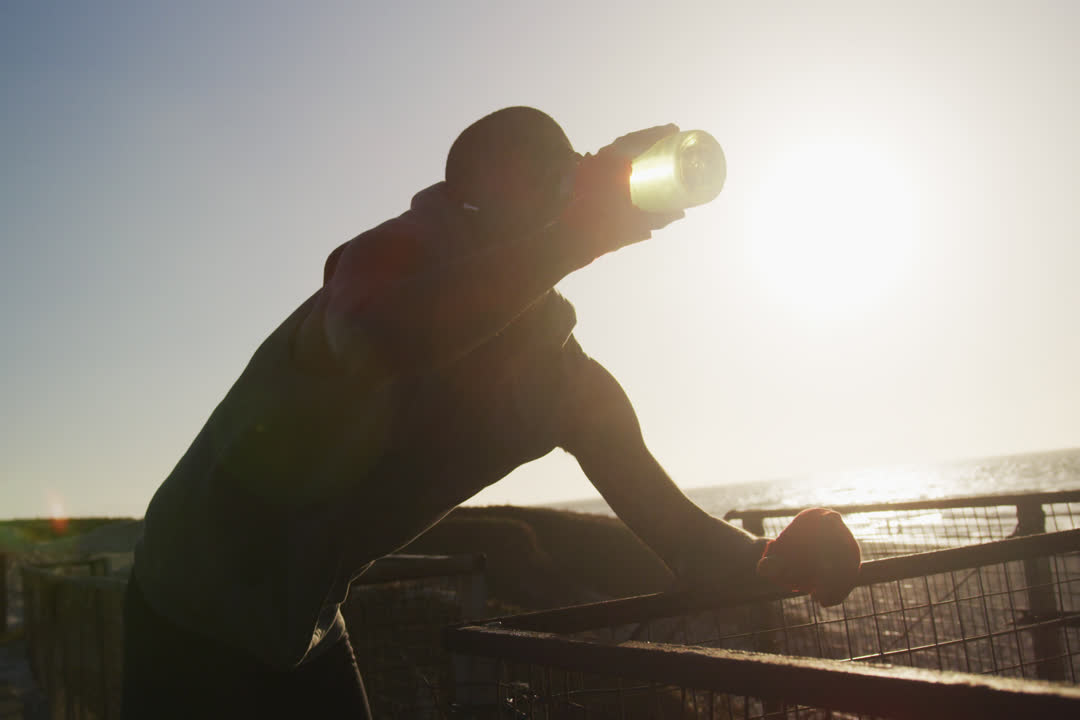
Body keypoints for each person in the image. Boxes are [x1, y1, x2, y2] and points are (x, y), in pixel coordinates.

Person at [122, 107, 859, 718]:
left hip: (300, 622)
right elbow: (372, 336)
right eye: (537, 174)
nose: (561, 189)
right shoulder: (392, 253)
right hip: (187, 599)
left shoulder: (559, 377)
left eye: (567, 169)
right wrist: (572, 238)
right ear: (468, 194)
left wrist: (778, 559)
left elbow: (685, 545)